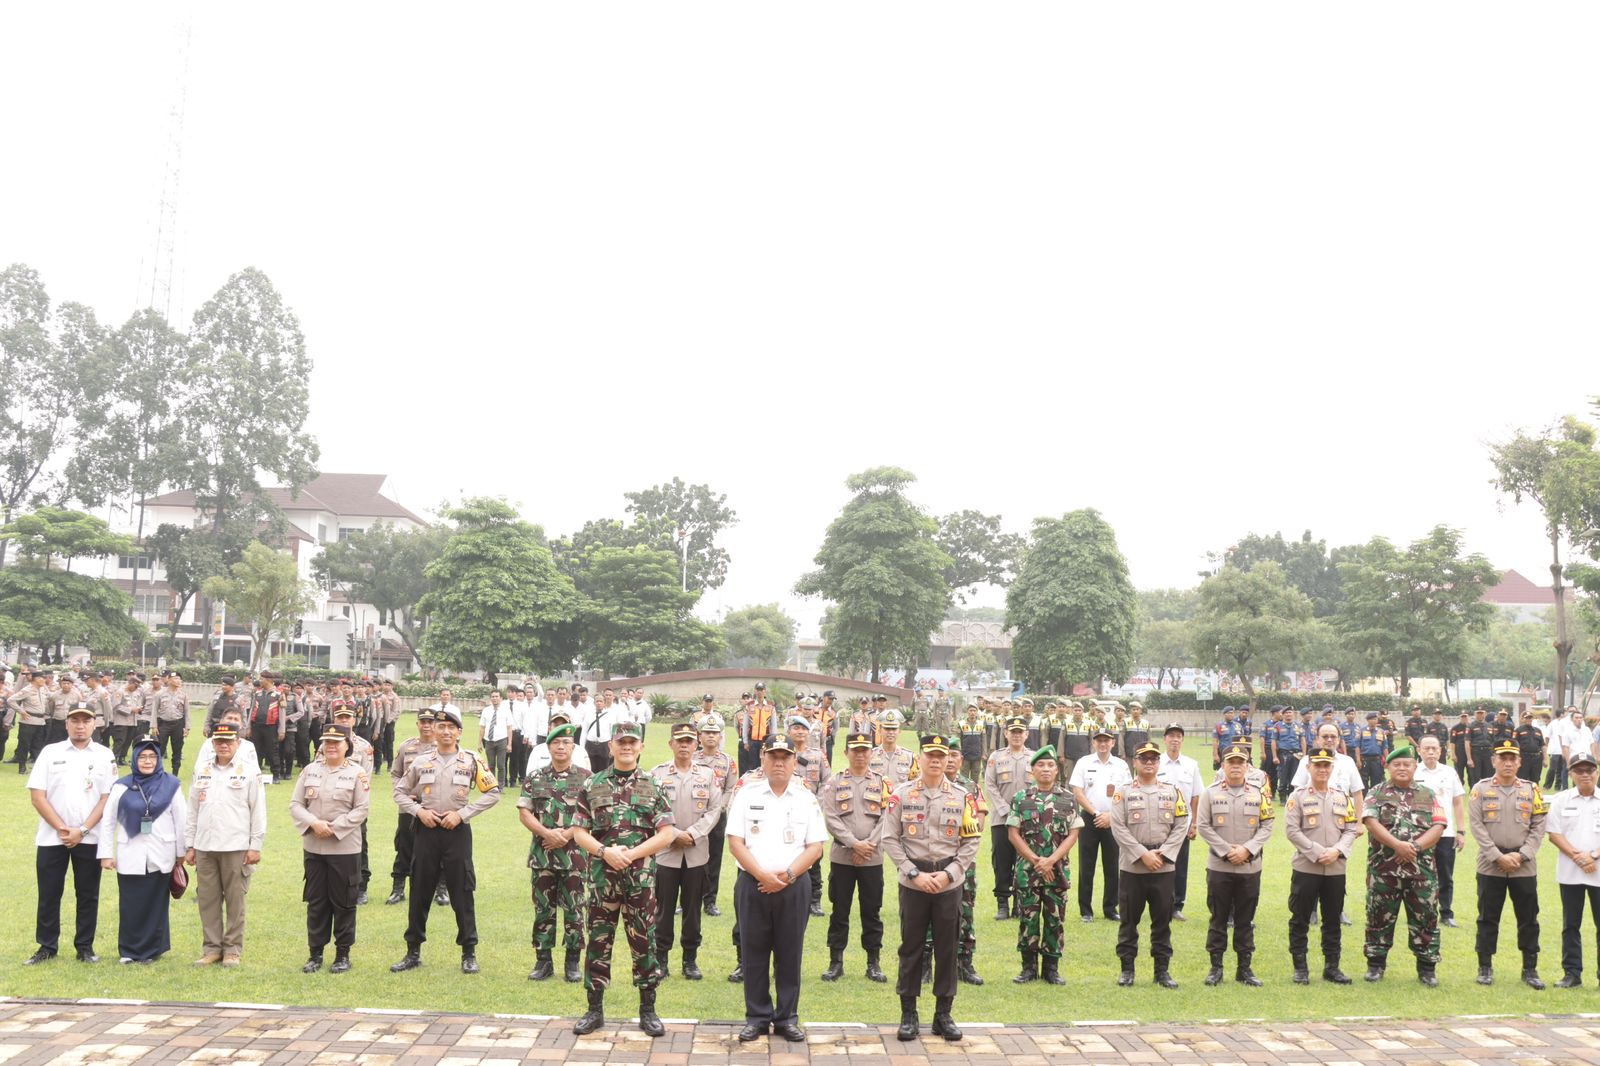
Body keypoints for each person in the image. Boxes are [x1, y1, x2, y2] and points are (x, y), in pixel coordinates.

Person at [570, 721, 676, 1038]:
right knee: (599, 942)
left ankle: (648, 1010)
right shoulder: (593, 785)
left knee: (644, 942)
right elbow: (578, 832)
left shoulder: (653, 786)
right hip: (603, 878)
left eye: (632, 742)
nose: (627, 747)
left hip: (640, 880)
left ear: (640, 747)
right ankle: (594, 1010)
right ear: (611, 747)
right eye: (621, 742)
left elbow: (667, 833)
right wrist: (605, 852)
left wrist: (631, 854)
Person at [725, 734, 828, 1043]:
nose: (779, 762)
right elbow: (735, 842)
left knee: (789, 953)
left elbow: (816, 847)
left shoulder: (805, 798)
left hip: (794, 886)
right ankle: (756, 1017)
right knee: (753, 953)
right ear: (763, 760)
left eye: (785, 757)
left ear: (795, 762)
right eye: (774, 756)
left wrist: (787, 875)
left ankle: (786, 1018)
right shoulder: (746, 794)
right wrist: (763, 876)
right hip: (752, 885)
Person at [882, 734, 980, 1043]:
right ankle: (908, 1013)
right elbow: (889, 838)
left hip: (949, 881)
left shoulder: (963, 796)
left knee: (947, 947)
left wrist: (950, 874)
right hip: (914, 880)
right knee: (911, 947)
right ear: (920, 759)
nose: (936, 760)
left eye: (941, 755)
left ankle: (943, 1014)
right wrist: (913, 873)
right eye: (930, 755)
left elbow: (971, 841)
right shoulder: (901, 794)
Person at [390, 707, 502, 975]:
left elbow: (493, 793)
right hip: (426, 831)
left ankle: (469, 952)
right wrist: (419, 812)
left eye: (451, 727)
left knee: (462, 892)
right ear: (435, 731)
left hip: (457, 832)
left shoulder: (472, 760)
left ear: (459, 732)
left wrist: (462, 815)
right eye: (441, 727)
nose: (445, 731)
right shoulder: (421, 761)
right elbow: (399, 792)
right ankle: (413, 951)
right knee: (419, 891)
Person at [27, 703, 115, 964]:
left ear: (94, 724)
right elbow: (37, 796)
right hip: (52, 837)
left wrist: (83, 829)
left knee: (88, 894)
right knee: (49, 893)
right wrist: (63, 829)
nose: (80, 725)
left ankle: (85, 947)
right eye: (74, 720)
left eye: (85, 721)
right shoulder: (50, 752)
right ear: (66, 724)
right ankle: (46, 946)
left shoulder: (104, 755)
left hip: (89, 837)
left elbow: (106, 798)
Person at [1361, 744, 1447, 985]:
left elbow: (1439, 826)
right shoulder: (1376, 792)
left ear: (1414, 767)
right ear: (1387, 766)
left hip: (1421, 872)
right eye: (1396, 764)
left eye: (1406, 764)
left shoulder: (1428, 794)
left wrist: (1414, 848)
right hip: (1383, 870)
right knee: (1378, 917)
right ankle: (1375, 965)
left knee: (1426, 918)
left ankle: (1427, 968)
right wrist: (1397, 845)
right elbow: (1370, 822)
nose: (1401, 768)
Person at [97, 736, 187, 964]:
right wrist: (105, 854)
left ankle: (151, 951)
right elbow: (108, 821)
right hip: (131, 854)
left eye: (152, 756)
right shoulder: (121, 786)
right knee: (131, 904)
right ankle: (129, 951)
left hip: (162, 853)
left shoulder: (171, 785)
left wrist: (181, 852)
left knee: (156, 904)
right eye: (143, 756)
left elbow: (181, 821)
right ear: (135, 759)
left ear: (158, 758)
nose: (147, 761)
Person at [1467, 739, 1548, 988]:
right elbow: (1477, 826)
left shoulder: (1532, 790)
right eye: (1503, 758)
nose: (1508, 763)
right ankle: (1485, 967)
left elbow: (1539, 826)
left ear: (1520, 762)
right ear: (1494, 761)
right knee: (1488, 918)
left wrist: (1522, 855)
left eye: (1513, 758)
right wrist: (1497, 856)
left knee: (1528, 918)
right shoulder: (1479, 790)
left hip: (1523, 866)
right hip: (1491, 864)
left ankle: (1530, 968)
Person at [290, 724, 371, 974]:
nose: (331, 746)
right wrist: (314, 823)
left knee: (344, 903)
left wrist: (334, 828)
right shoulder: (309, 771)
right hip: (314, 847)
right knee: (316, 903)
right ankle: (315, 954)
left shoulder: (357, 774)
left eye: (337, 742)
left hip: (344, 848)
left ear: (347, 746)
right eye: (327, 742)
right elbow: (296, 804)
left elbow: (361, 809)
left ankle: (342, 954)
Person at [183, 723, 265, 966]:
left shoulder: (249, 771)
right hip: (205, 845)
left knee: (235, 901)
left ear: (238, 743)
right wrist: (190, 844)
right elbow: (192, 809)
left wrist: (255, 845)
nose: (224, 745)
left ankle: (232, 950)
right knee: (208, 901)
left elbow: (258, 810)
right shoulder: (202, 769)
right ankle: (211, 948)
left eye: (229, 740)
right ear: (212, 743)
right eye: (219, 741)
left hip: (236, 845)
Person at [1195, 742, 1274, 987]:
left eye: (1241, 762)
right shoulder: (1210, 792)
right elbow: (1204, 826)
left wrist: (1247, 850)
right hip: (1220, 866)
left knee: (1245, 919)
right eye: (1231, 762)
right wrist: (1226, 850)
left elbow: (1267, 826)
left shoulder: (1259, 794)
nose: (1236, 766)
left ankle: (1244, 969)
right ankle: (1216, 968)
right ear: (1223, 765)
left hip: (1249, 867)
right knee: (1218, 918)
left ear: (1247, 766)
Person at [1109, 740, 1187, 989]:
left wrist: (1163, 854)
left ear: (1159, 762)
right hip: (1134, 866)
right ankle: (1127, 969)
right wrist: (1142, 854)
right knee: (1129, 921)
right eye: (1144, 758)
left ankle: (1162, 971)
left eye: (1153, 758)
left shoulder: (1172, 791)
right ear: (1135, 762)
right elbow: (1118, 826)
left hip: (1163, 867)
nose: (1149, 763)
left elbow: (1181, 825)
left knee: (1162, 921)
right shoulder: (1124, 792)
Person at [518, 721, 591, 983]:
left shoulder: (586, 778)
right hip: (543, 855)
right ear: (548, 747)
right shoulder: (535, 778)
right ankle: (543, 961)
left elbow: (591, 815)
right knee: (543, 910)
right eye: (556, 743)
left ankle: (572, 962)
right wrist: (547, 834)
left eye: (566, 743)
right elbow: (525, 812)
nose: (561, 747)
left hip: (574, 856)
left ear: (573, 747)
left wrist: (566, 835)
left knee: (575, 909)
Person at [651, 722, 724, 980]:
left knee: (693, 910)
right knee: (663, 909)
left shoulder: (707, 776)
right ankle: (661, 958)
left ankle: (689, 960)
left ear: (696, 745)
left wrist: (692, 834)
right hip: (666, 853)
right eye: (679, 740)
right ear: (671, 743)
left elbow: (714, 810)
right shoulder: (656, 775)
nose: (684, 745)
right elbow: (651, 809)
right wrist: (672, 834)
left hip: (696, 854)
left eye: (689, 741)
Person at [1283, 747, 1361, 984]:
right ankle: (1300, 968)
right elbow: (1292, 831)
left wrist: (1337, 851)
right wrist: (1318, 853)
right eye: (1317, 765)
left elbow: (1350, 829)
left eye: (1326, 765)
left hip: (1335, 869)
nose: (1322, 770)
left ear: (1332, 768)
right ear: (1308, 767)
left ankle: (1332, 967)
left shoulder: (1342, 797)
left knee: (1332, 918)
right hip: (1307, 867)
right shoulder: (1297, 797)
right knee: (1300, 918)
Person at [1006, 745, 1081, 985]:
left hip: (1056, 871)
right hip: (1028, 871)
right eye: (1041, 765)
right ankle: (1028, 968)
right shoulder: (1021, 798)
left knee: (1054, 918)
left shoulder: (1068, 799)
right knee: (1028, 917)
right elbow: (1013, 833)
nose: (1046, 769)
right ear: (1033, 770)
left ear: (1057, 770)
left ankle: (1051, 968)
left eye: (1050, 765)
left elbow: (1072, 834)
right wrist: (1036, 860)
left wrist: (1051, 860)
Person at [818, 732, 889, 984]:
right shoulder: (835, 782)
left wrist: (868, 845)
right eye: (855, 750)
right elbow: (831, 817)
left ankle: (874, 963)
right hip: (842, 858)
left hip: (872, 858)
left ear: (871, 753)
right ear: (846, 752)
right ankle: (835, 962)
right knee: (840, 911)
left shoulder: (882, 783)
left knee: (872, 911)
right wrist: (854, 844)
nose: (860, 754)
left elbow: (886, 817)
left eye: (865, 750)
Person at [1546, 750, 1600, 988]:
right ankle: (1572, 973)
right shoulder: (1561, 799)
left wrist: (1594, 856)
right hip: (1570, 873)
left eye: (1590, 770)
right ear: (1571, 774)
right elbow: (1554, 833)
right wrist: (1578, 857)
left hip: (1598, 873)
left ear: (1597, 773)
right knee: (1570, 925)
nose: (1585, 775)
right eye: (1579, 770)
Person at [1070, 726, 1132, 923]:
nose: (1103, 744)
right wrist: (1097, 813)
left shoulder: (1121, 765)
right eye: (1099, 740)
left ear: (1113, 743)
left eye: (1107, 740)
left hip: (1114, 820)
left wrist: (1111, 816)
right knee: (1086, 865)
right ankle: (1086, 910)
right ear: (1093, 742)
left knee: (1113, 865)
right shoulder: (1083, 762)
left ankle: (1110, 908)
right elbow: (1078, 792)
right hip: (1089, 819)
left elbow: (1127, 792)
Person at [1413, 735, 1467, 929]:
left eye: (1434, 748)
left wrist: (1461, 831)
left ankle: (1446, 912)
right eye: (1426, 748)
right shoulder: (1412, 770)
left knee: (1445, 874)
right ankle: (1421, 911)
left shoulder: (1449, 772)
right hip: (1419, 833)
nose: (1430, 752)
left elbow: (1458, 803)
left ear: (1440, 750)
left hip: (1446, 833)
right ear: (1419, 750)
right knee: (1419, 874)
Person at [384, 708, 436, 907]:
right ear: (418, 724)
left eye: (430, 722)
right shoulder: (407, 747)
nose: (426, 725)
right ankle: (398, 888)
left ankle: (440, 889)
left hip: (433, 807)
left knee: (435, 849)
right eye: (423, 722)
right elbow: (396, 773)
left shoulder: (442, 747)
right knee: (404, 847)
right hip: (408, 806)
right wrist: (403, 793)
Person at [983, 716, 1033, 921]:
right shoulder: (996, 757)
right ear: (1006, 734)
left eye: (1020, 732)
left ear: (1026, 734)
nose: (1017, 735)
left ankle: (1020, 905)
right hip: (1001, 819)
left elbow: (1039, 786)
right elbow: (990, 785)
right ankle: (1003, 904)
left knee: (1025, 862)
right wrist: (1006, 810)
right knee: (1002, 862)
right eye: (1013, 732)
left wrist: (1025, 813)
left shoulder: (1034, 757)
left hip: (1028, 820)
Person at [1154, 724, 1201, 922]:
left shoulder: (1191, 764)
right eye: (1171, 736)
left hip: (1183, 823)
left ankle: (1177, 906)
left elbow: (1196, 795)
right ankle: (1159, 904)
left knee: (1180, 865)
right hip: (1159, 823)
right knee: (1159, 862)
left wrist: (1194, 823)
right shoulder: (1155, 762)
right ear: (1164, 739)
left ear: (1182, 740)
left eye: (1179, 736)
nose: (1175, 739)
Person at [693, 715, 737, 918]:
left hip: (718, 817)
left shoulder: (728, 761)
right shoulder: (692, 759)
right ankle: (689, 900)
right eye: (707, 732)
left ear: (720, 736)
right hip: (694, 816)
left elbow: (731, 788)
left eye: (715, 733)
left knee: (714, 859)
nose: (711, 736)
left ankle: (710, 901)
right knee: (691, 859)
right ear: (699, 736)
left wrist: (718, 809)